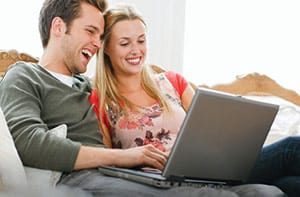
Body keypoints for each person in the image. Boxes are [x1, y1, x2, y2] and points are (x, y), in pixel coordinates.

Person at [0, 0, 284, 196]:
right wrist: (124, 157)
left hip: (118, 173)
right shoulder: (23, 75)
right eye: (90, 32)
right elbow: (28, 142)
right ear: (58, 27)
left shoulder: (85, 86)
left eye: (101, 36)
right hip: (83, 177)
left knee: (267, 191)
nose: (97, 44)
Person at [90, 3, 300, 197]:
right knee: (290, 150)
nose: (136, 50)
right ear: (106, 47)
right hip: (159, 178)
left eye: (141, 40)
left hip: (209, 167)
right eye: (125, 43)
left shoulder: (172, 82)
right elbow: (107, 161)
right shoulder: (102, 100)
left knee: (290, 183)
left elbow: (209, 132)